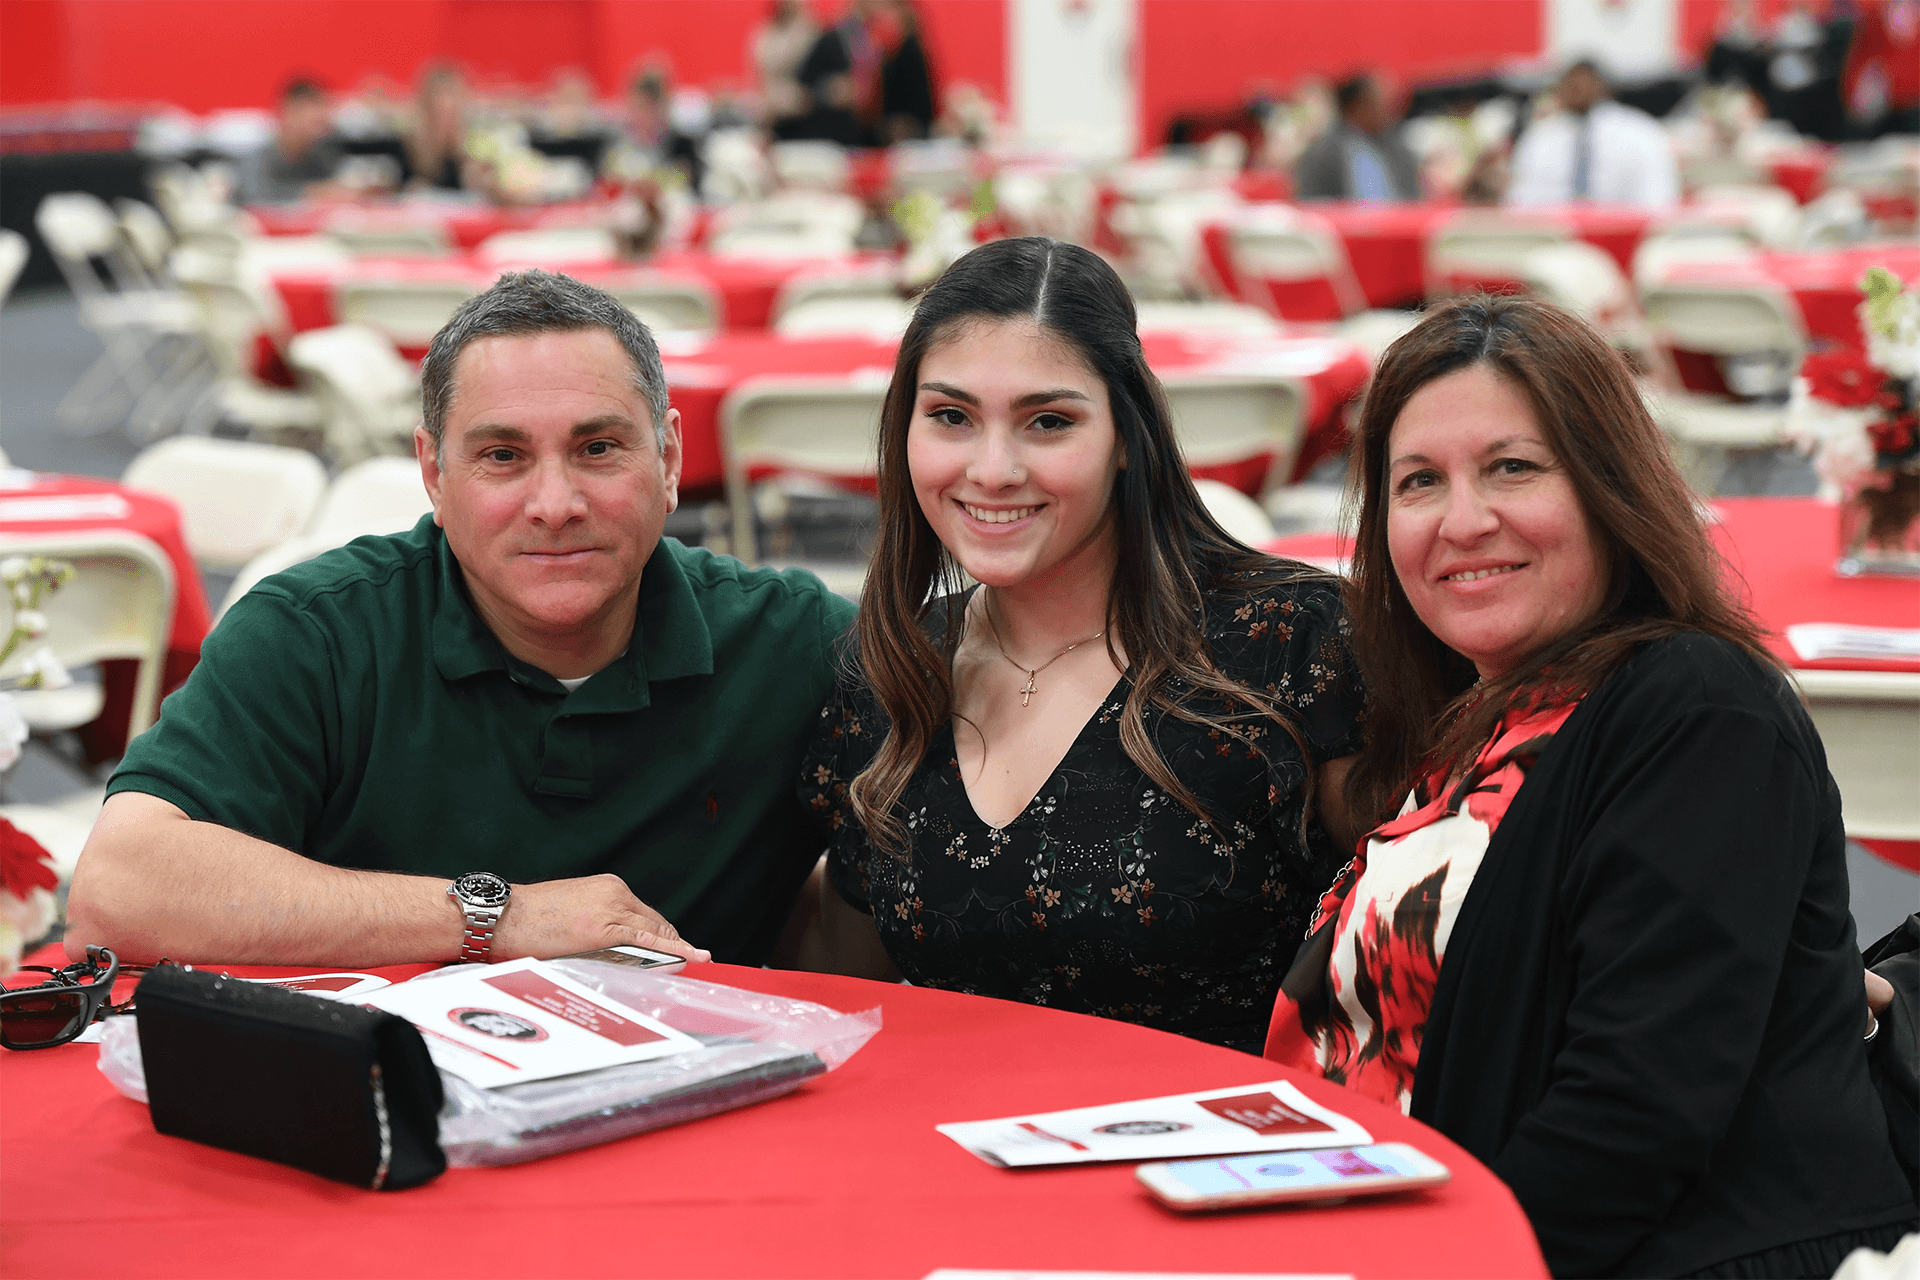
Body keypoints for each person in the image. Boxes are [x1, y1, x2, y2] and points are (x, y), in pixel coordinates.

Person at [1265, 295, 1916, 1277]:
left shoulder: (1698, 712)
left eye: (1512, 467)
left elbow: (1629, 1120)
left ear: (1609, 486)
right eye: (1418, 482)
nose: (1464, 519)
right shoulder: (1463, 719)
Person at [65, 271, 855, 970]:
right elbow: (116, 889)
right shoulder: (316, 633)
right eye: (502, 457)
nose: (555, 506)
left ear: (671, 459)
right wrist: (500, 917)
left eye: (599, 448)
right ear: (434, 475)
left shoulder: (796, 644)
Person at [794, 238, 1366, 1054]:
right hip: (960, 1156)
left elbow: (1423, 943)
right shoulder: (888, 668)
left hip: (1228, 1162)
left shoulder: (1292, 645)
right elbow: (844, 985)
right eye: (951, 416)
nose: (993, 470)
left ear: (1128, 435)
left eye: (1049, 421)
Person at [1505, 59, 1679, 209]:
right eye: (1572, 85)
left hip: (1624, 232)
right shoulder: (1540, 137)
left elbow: (1659, 199)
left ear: (1605, 88)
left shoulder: (1641, 133)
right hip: (1555, 237)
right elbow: (1521, 201)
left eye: (1585, 84)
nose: (1578, 90)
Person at [1293, 73, 1421, 202]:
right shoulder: (1319, 155)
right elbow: (1313, 203)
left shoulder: (1398, 150)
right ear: (1356, 105)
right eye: (1376, 103)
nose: (1387, 110)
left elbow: (1413, 197)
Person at [234, 78, 346, 206]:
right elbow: (256, 197)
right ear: (288, 112)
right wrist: (310, 192)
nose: (321, 120)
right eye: (308, 116)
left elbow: (335, 188)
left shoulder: (320, 156)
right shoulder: (258, 158)